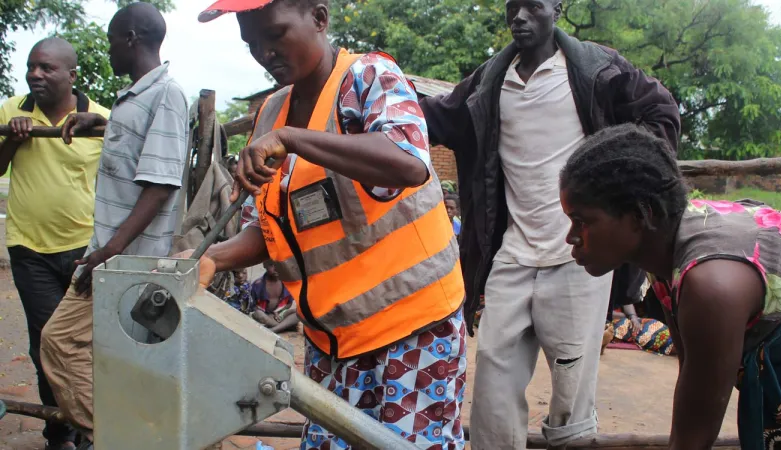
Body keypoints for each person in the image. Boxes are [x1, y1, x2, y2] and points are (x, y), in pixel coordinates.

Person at [186, 0, 467, 448]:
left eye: (275, 35)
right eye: (251, 43)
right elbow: (269, 229)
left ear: (319, 18)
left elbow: (408, 163)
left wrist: (294, 140)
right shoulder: (271, 113)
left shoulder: (368, 78)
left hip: (412, 329)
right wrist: (207, 259)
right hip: (332, 340)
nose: (264, 53)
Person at [419, 0, 680, 447]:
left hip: (579, 260)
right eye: (512, 6)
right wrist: (380, 96)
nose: (519, 15)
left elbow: (663, 114)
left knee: (571, 400)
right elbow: (434, 118)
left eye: (533, 5)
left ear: (556, 8)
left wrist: (620, 184)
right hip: (512, 255)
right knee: (492, 396)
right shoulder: (489, 82)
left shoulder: (599, 71)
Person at [559, 123, 781, 450]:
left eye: (582, 221)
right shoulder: (666, 257)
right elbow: (693, 385)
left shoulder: (709, 286)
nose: (571, 236)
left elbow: (693, 440)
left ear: (641, 215)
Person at [39, 4, 189, 449]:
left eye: (109, 42)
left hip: (122, 258)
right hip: (111, 252)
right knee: (115, 357)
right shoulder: (136, 96)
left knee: (59, 342)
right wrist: (104, 124)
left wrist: (108, 254)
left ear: (130, 38)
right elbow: (140, 148)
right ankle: (123, 435)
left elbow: (160, 185)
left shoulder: (167, 94)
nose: (106, 51)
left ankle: (116, 437)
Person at [0, 37, 109, 450]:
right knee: (46, 341)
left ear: (71, 75)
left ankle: (89, 427)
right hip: (29, 250)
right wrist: (13, 138)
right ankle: (59, 433)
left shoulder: (99, 119)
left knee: (87, 344)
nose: (35, 74)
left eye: (46, 68)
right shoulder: (12, 110)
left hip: (86, 249)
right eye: (31, 66)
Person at [249, 260, 298, 332]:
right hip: (265, 317)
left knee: (299, 313)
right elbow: (252, 306)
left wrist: (279, 312)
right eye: (271, 265)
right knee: (259, 314)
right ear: (264, 265)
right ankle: (282, 327)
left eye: (279, 265)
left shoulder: (287, 283)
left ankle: (273, 329)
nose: (276, 269)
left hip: (278, 316)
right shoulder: (257, 285)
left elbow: (289, 303)